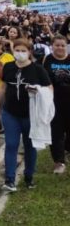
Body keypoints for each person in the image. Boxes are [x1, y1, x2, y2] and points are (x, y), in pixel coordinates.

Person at [0, 39, 52, 191]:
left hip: (30, 114)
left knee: (29, 146)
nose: (19, 54)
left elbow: (49, 89)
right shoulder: (8, 67)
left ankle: (29, 176)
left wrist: (37, 90)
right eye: (17, 50)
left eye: (23, 51)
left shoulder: (37, 69)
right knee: (11, 144)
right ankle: (9, 179)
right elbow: (3, 87)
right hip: (10, 113)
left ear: (29, 52)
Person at [43, 34, 70, 174]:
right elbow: (44, 79)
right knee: (56, 133)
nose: (59, 48)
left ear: (66, 46)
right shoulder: (48, 59)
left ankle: (66, 148)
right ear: (52, 46)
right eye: (57, 45)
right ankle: (59, 162)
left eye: (62, 45)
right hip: (53, 103)